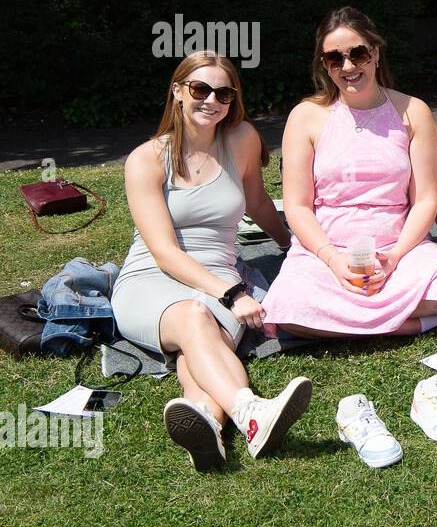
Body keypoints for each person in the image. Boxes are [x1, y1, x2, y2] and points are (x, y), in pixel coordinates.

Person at [260, 7, 437, 448]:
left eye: (357, 53)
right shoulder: (306, 116)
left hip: (399, 241)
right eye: (334, 58)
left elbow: (427, 200)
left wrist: (395, 257)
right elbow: (298, 206)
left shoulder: (412, 111)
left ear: (375, 52)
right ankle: (417, 323)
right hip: (327, 244)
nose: (347, 66)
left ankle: (356, 316)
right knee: (284, 307)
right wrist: (333, 260)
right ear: (324, 64)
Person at [112, 51, 310, 471]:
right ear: (178, 91)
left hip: (219, 272)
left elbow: (257, 200)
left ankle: (208, 425)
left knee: (196, 349)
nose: (211, 100)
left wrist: (290, 244)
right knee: (194, 317)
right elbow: (164, 253)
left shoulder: (241, 140)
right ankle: (251, 410)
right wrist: (234, 292)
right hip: (151, 279)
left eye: (223, 92)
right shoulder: (145, 159)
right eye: (200, 89)